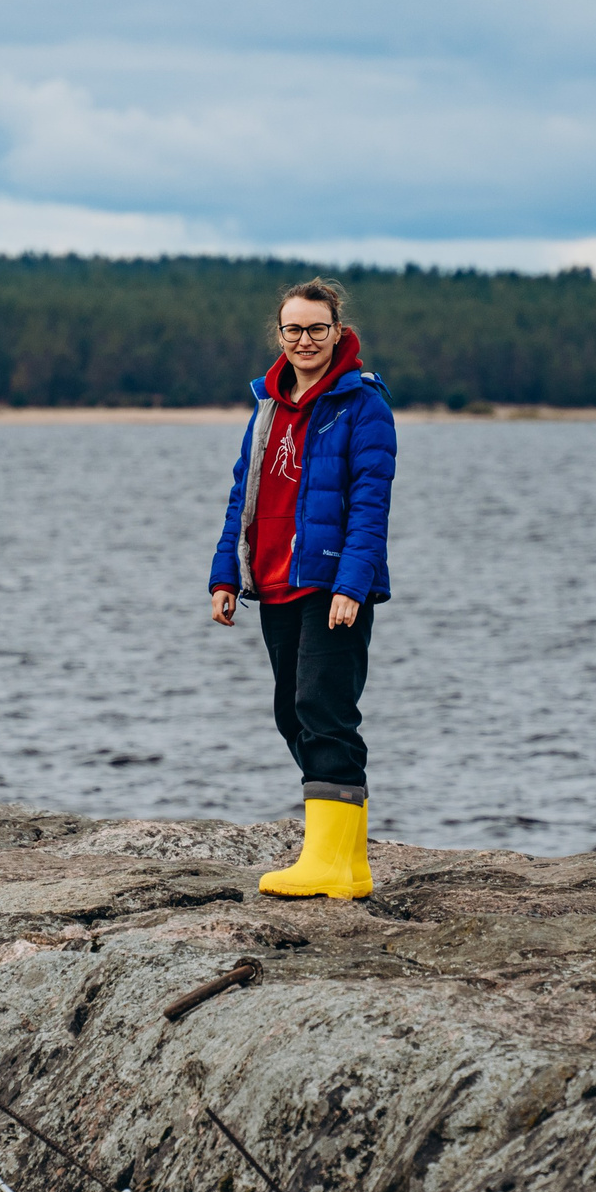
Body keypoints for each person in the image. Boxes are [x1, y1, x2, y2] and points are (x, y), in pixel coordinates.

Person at [208, 276, 395, 898]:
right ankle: (348, 862)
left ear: (337, 331)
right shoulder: (266, 405)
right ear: (280, 333)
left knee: (325, 709)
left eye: (317, 328)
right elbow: (243, 495)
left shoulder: (362, 404)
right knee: (292, 711)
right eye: (294, 329)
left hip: (332, 583)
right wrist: (225, 574)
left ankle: (330, 863)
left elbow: (370, 504)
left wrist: (352, 584)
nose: (305, 340)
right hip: (274, 581)